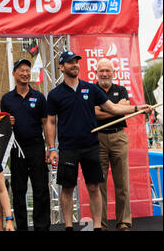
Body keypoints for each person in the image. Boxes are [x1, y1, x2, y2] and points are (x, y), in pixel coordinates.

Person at [45, 51, 153, 231]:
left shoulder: (91, 88)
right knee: (67, 188)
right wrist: (51, 148)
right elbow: (50, 121)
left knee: (94, 186)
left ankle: (97, 227)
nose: (75, 65)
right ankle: (69, 227)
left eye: (76, 62)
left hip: (91, 146)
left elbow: (113, 108)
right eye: (70, 63)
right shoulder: (55, 94)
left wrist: (138, 108)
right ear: (62, 67)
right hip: (68, 148)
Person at [0, 59, 50, 231]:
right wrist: (7, 122)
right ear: (14, 73)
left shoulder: (39, 97)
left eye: (27, 70)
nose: (25, 73)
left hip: (36, 147)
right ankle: (21, 227)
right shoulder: (7, 99)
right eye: (21, 70)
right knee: (19, 191)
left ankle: (42, 227)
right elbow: (2, 127)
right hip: (16, 149)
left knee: (41, 190)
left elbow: (47, 123)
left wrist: (50, 148)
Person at [95, 58, 132, 231]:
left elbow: (126, 106)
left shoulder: (121, 89)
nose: (104, 74)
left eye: (107, 71)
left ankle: (124, 221)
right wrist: (117, 110)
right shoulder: (91, 90)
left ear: (113, 73)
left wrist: (108, 110)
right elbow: (94, 113)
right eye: (101, 70)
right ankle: (101, 224)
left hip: (119, 137)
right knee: (99, 184)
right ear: (96, 73)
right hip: (98, 139)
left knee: (122, 182)